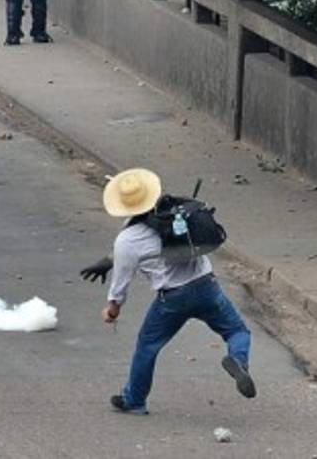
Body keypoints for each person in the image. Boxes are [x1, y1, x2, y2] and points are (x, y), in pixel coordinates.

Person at [81, 169, 256, 415]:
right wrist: (110, 260)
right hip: (206, 286)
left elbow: (120, 286)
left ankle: (134, 400)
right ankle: (238, 359)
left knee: (148, 346)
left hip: (171, 299)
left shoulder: (128, 240)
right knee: (237, 330)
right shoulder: (177, 214)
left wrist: (112, 309)